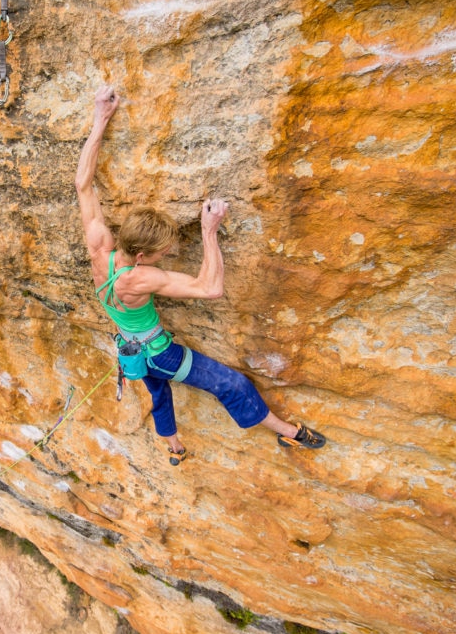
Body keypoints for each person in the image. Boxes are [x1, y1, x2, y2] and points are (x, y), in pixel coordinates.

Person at [74, 85, 327, 465]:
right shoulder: (140, 280)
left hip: (128, 345)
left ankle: (175, 448)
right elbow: (210, 288)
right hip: (160, 354)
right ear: (142, 256)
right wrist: (210, 230)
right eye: (163, 254)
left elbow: (83, 183)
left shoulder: (101, 249)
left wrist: (100, 119)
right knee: (232, 384)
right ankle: (290, 435)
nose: (169, 256)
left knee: (159, 394)